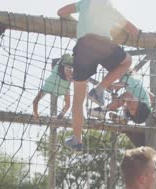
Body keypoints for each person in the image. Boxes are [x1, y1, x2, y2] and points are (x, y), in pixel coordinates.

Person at [57, 0, 139, 152]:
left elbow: (61, 12)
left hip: (83, 46)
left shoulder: (84, 3)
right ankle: (99, 89)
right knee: (127, 61)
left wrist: (78, 22)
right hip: (103, 45)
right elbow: (132, 29)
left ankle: (77, 139)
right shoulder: (109, 7)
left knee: (78, 99)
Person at [88, 72, 153, 124]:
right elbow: (151, 96)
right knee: (127, 102)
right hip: (145, 108)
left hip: (144, 108)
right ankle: (124, 118)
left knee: (125, 99)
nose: (130, 106)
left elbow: (123, 92)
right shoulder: (133, 80)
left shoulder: (129, 79)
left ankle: (103, 111)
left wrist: (106, 83)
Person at [33, 54, 73, 120]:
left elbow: (35, 101)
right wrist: (61, 115)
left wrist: (36, 114)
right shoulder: (64, 88)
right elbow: (68, 105)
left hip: (55, 81)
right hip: (59, 81)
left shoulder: (48, 85)